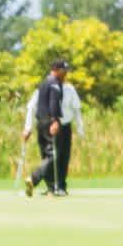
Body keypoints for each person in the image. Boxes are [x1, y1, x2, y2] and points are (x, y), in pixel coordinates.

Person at [22, 59, 80, 199]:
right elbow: (54, 103)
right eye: (64, 71)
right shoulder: (55, 84)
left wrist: (29, 127)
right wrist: (55, 121)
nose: (66, 74)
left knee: (48, 155)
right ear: (56, 70)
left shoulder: (43, 83)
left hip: (41, 123)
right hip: (50, 123)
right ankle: (34, 178)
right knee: (54, 155)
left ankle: (52, 188)